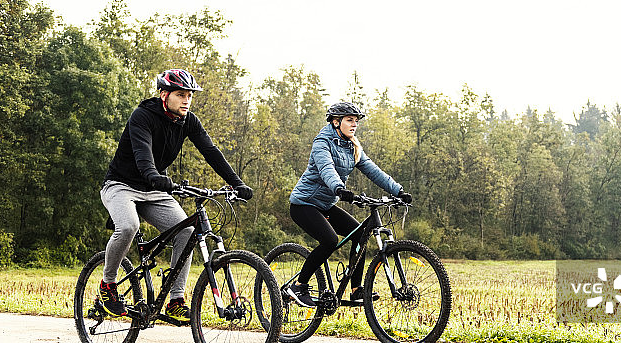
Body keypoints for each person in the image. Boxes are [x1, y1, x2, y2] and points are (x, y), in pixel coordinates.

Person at [98, 68, 253, 321]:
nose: (186, 100)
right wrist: (155, 176)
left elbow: (211, 152)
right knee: (128, 226)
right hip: (121, 185)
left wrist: (237, 183)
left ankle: (175, 300)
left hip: (154, 189)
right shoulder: (143, 116)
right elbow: (143, 155)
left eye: (189, 95)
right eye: (181, 95)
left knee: (187, 231)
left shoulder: (188, 121)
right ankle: (108, 284)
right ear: (164, 94)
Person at [287, 102, 412, 307]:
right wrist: (339, 188)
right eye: (349, 120)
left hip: (325, 205)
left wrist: (398, 191)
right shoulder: (322, 142)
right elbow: (326, 168)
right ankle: (299, 286)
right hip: (304, 204)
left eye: (356, 121)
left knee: (360, 234)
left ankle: (356, 290)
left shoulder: (353, 146)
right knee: (329, 240)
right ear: (336, 122)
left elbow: (373, 171)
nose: (354, 124)